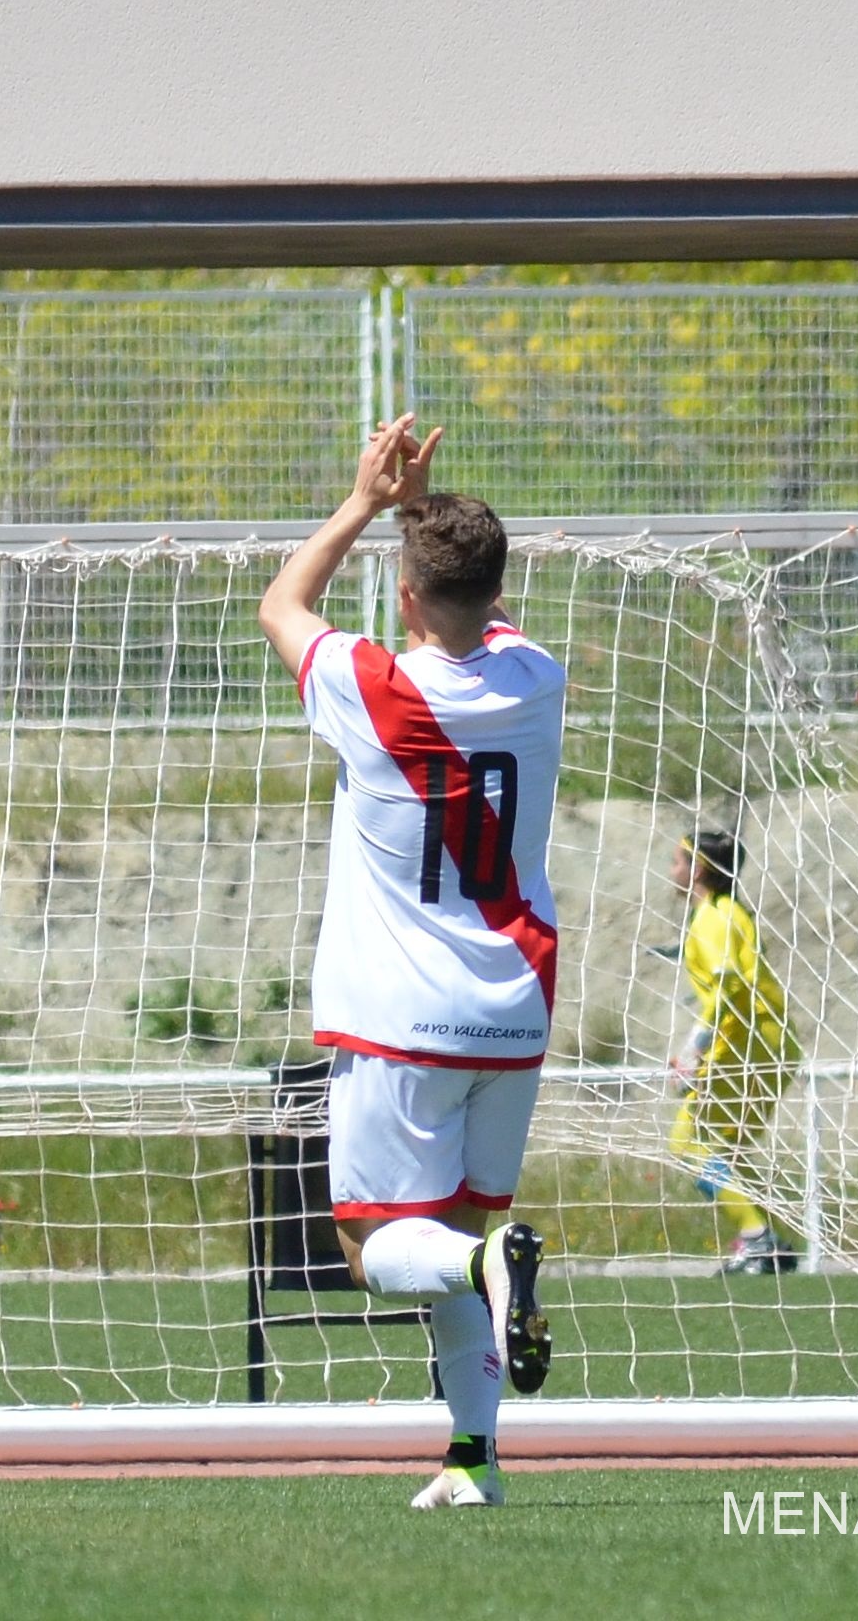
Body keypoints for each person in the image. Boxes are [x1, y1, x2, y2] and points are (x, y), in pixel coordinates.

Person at [258, 413, 567, 1507]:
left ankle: (491, 1277)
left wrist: (367, 503)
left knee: (380, 1245)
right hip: (516, 1004)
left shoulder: (364, 683)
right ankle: (473, 1457)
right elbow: (480, 610)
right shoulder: (538, 676)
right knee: (461, 1231)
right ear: (497, 590)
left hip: (399, 1017)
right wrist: (435, 522)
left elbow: (280, 605)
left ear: (401, 599)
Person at [663, 828, 803, 1274]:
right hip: (770, 1040)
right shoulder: (732, 912)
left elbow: (726, 988)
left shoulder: (712, 920)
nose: (672, 871)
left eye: (677, 862)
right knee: (724, 1150)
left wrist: (692, 1050)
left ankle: (758, 1239)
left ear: (697, 868)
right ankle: (765, 1242)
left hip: (748, 1043)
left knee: (687, 1144)